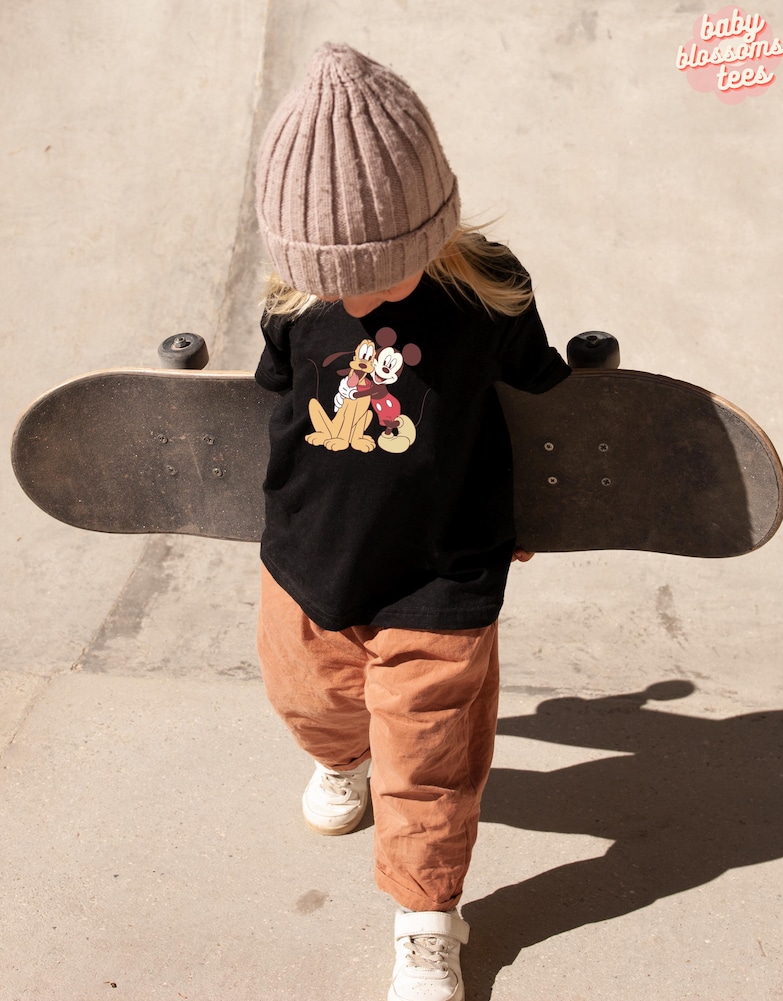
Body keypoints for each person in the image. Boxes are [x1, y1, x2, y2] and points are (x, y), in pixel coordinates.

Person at [253, 42, 570, 1001]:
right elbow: (270, 404)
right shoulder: (292, 305)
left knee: (430, 758)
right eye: (335, 282)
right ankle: (345, 757)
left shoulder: (487, 291)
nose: (356, 299)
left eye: (383, 276)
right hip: (309, 560)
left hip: (444, 571)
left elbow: (543, 401)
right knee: (308, 700)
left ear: (431, 231)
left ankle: (428, 918)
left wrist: (539, 503)